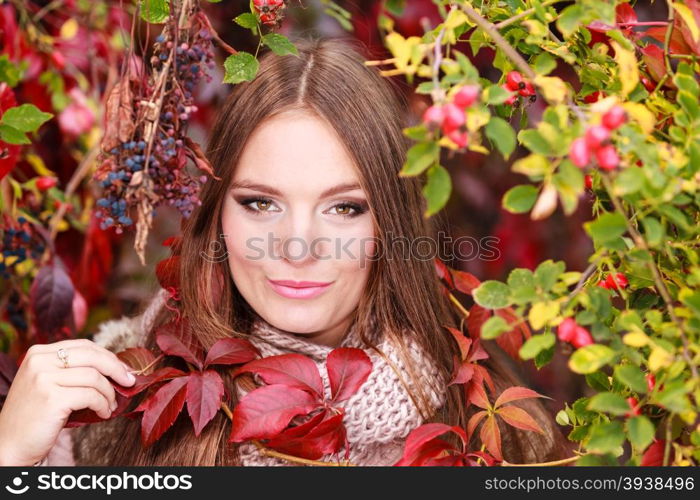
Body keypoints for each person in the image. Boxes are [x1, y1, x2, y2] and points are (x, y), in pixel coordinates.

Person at [0, 36, 569, 466]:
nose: (299, 246)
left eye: (346, 207)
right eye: (260, 203)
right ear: (216, 214)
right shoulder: (115, 400)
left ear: (395, 222)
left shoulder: (493, 431)